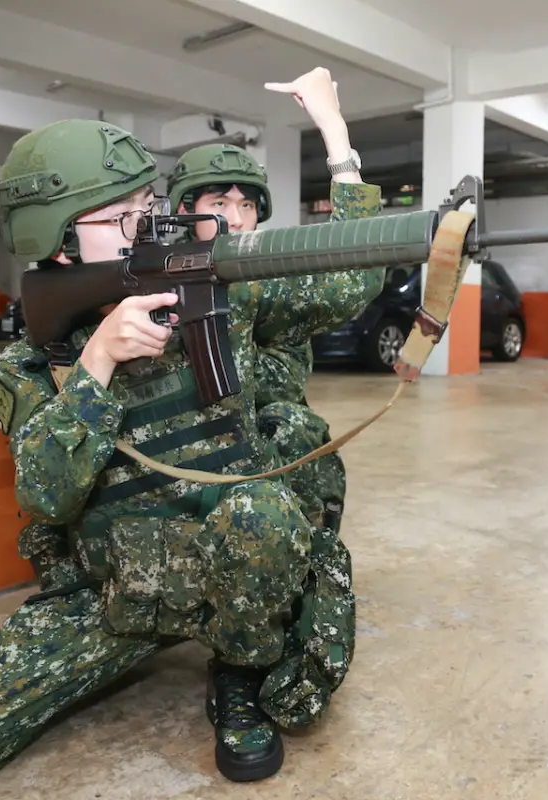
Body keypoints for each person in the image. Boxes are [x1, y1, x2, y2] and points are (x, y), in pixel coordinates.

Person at [0, 67, 384, 787]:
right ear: (59, 244)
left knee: (267, 511)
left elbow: (353, 273)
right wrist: (95, 365)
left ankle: (239, 673)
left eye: (150, 204)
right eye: (124, 215)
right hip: (117, 594)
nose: (150, 225)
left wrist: (336, 135)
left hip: (230, 563)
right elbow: (48, 499)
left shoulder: (216, 296)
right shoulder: (33, 363)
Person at [162, 141, 354, 731]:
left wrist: (338, 143)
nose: (236, 216)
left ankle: (276, 603)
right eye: (219, 200)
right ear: (183, 211)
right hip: (160, 483)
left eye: (247, 204)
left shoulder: (257, 281)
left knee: (302, 435)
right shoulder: (146, 282)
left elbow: (347, 279)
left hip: (245, 467)